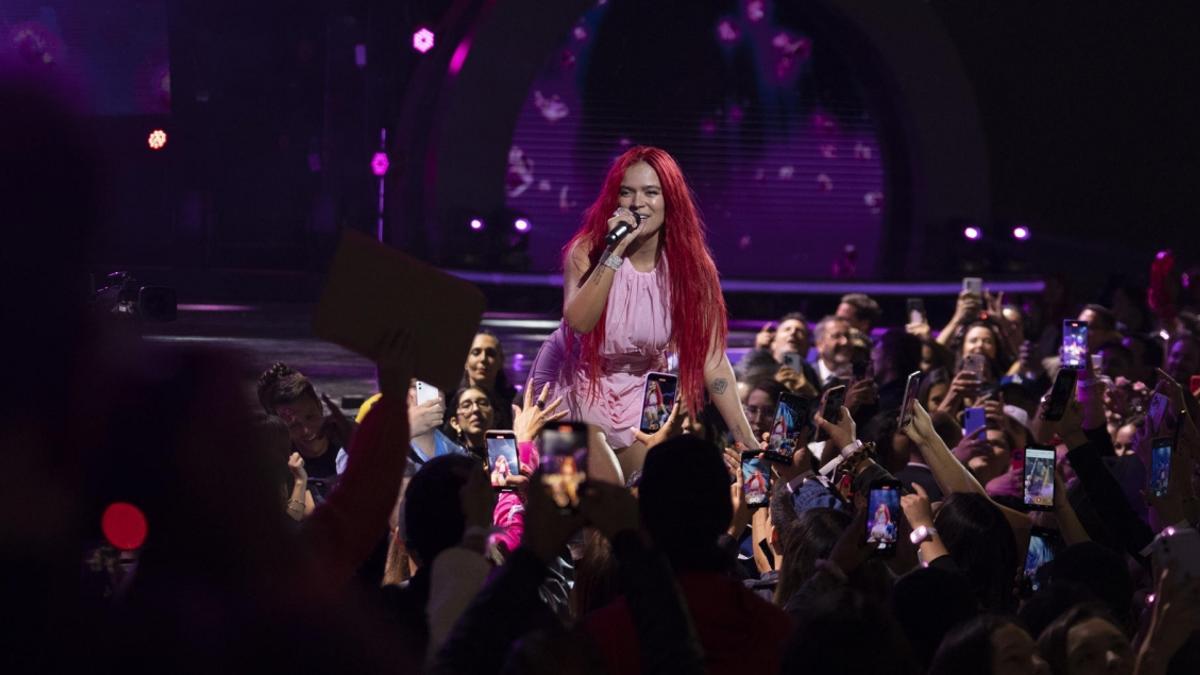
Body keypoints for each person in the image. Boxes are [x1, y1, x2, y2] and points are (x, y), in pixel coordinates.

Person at [558, 146, 757, 473]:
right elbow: (579, 322)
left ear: (670, 199)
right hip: (578, 385)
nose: (637, 203)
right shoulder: (589, 250)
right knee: (585, 504)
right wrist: (615, 250)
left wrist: (745, 439)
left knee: (645, 501)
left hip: (644, 395)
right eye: (627, 193)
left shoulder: (691, 267)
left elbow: (713, 361)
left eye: (651, 192)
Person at [257, 362, 355, 500]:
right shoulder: (278, 462)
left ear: (319, 406)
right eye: (293, 425)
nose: (306, 430)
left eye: (311, 417)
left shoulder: (352, 438)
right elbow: (294, 515)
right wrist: (299, 482)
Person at [461, 330, 517, 430]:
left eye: (490, 353)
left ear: (501, 361)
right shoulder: (448, 401)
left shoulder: (514, 405)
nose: (483, 359)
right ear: (466, 360)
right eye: (476, 352)